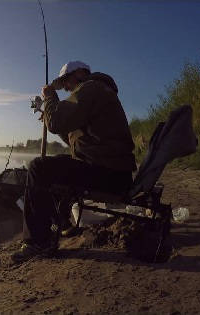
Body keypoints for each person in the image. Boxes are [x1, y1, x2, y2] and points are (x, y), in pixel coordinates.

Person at [11, 61, 137, 262]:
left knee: (38, 167)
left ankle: (38, 242)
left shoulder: (90, 88)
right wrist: (48, 115)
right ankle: (63, 224)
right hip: (112, 171)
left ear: (79, 73)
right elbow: (75, 141)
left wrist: (50, 97)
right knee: (58, 163)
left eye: (66, 82)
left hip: (108, 174)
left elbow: (56, 123)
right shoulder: (100, 91)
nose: (66, 88)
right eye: (62, 84)